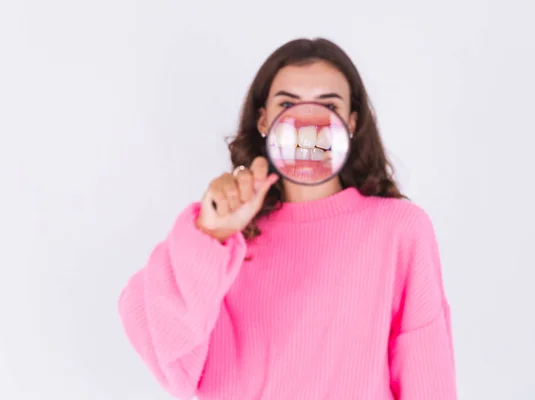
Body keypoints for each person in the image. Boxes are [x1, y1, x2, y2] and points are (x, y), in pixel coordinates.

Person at [118, 37, 457, 400]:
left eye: (328, 104)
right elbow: (160, 341)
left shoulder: (399, 229)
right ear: (263, 118)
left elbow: (428, 377)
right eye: (287, 104)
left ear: (352, 122)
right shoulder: (228, 236)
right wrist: (210, 234)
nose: (307, 121)